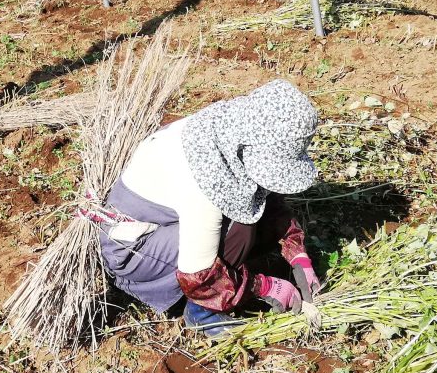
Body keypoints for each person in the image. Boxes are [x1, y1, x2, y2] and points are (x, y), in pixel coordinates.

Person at [93, 80, 323, 338]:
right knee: (242, 227)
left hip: (168, 227)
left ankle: (228, 276)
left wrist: (297, 253)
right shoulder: (203, 179)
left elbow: (266, 198)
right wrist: (263, 286)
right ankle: (202, 312)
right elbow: (198, 275)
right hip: (135, 252)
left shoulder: (231, 132)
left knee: (247, 214)